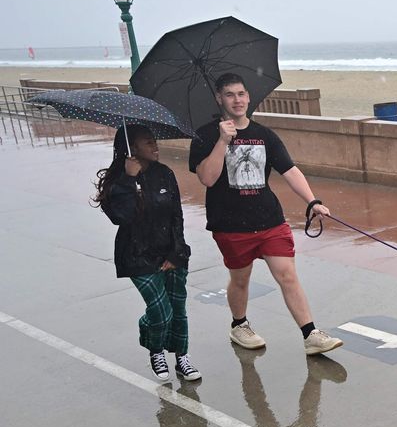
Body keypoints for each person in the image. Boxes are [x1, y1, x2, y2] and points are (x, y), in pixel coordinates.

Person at [189, 73, 343, 355]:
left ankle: (311, 334)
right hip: (231, 224)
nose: (237, 100)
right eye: (230, 95)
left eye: (241, 94)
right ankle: (239, 325)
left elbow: (290, 170)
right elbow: (207, 179)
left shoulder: (264, 135)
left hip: (269, 219)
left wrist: (313, 201)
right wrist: (222, 141)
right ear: (218, 99)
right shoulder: (206, 134)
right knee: (240, 279)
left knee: (287, 275)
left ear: (249, 97)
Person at [95, 124, 201, 381]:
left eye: (154, 140)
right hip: (137, 256)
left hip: (171, 251)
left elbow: (176, 215)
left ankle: (182, 357)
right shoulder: (117, 180)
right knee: (159, 312)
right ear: (130, 147)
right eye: (147, 142)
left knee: (178, 308)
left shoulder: (164, 173)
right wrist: (129, 180)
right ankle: (155, 348)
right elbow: (120, 216)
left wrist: (177, 252)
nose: (155, 146)